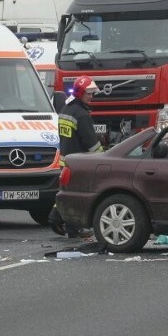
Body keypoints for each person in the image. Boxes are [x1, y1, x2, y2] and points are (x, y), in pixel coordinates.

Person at [54, 75, 103, 238]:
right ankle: (65, 223)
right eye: (88, 93)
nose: (91, 96)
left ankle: (64, 224)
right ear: (80, 92)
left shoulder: (66, 109)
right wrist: (104, 157)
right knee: (77, 193)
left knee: (69, 192)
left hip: (66, 159)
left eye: (92, 93)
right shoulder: (82, 114)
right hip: (79, 161)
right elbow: (91, 143)